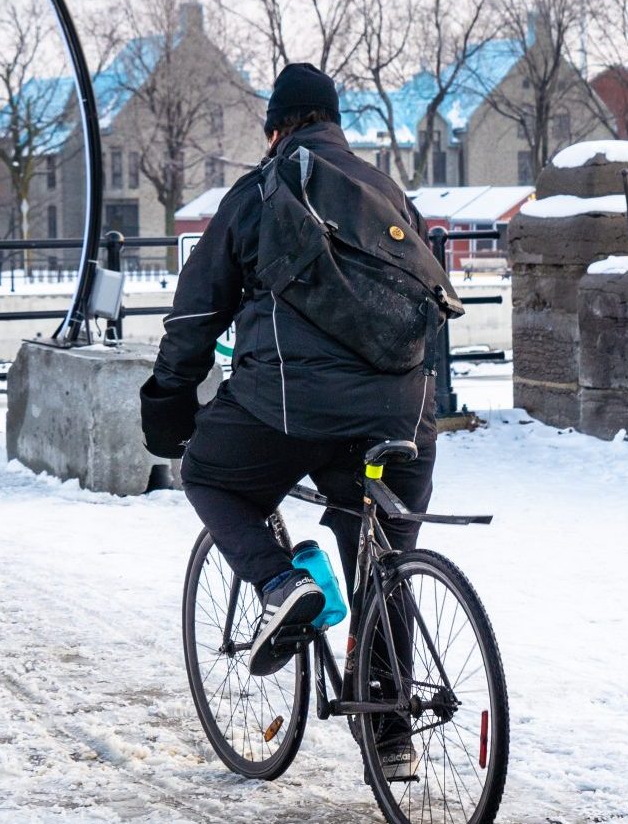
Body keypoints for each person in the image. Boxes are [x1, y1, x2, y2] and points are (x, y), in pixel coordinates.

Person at [139, 62, 459, 781]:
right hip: (406, 409)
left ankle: (282, 585)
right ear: (334, 121)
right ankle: (393, 733)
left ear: (277, 127)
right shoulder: (386, 193)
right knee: (381, 553)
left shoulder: (259, 191)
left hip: (289, 402)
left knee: (209, 474)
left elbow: (195, 316)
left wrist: (169, 403)